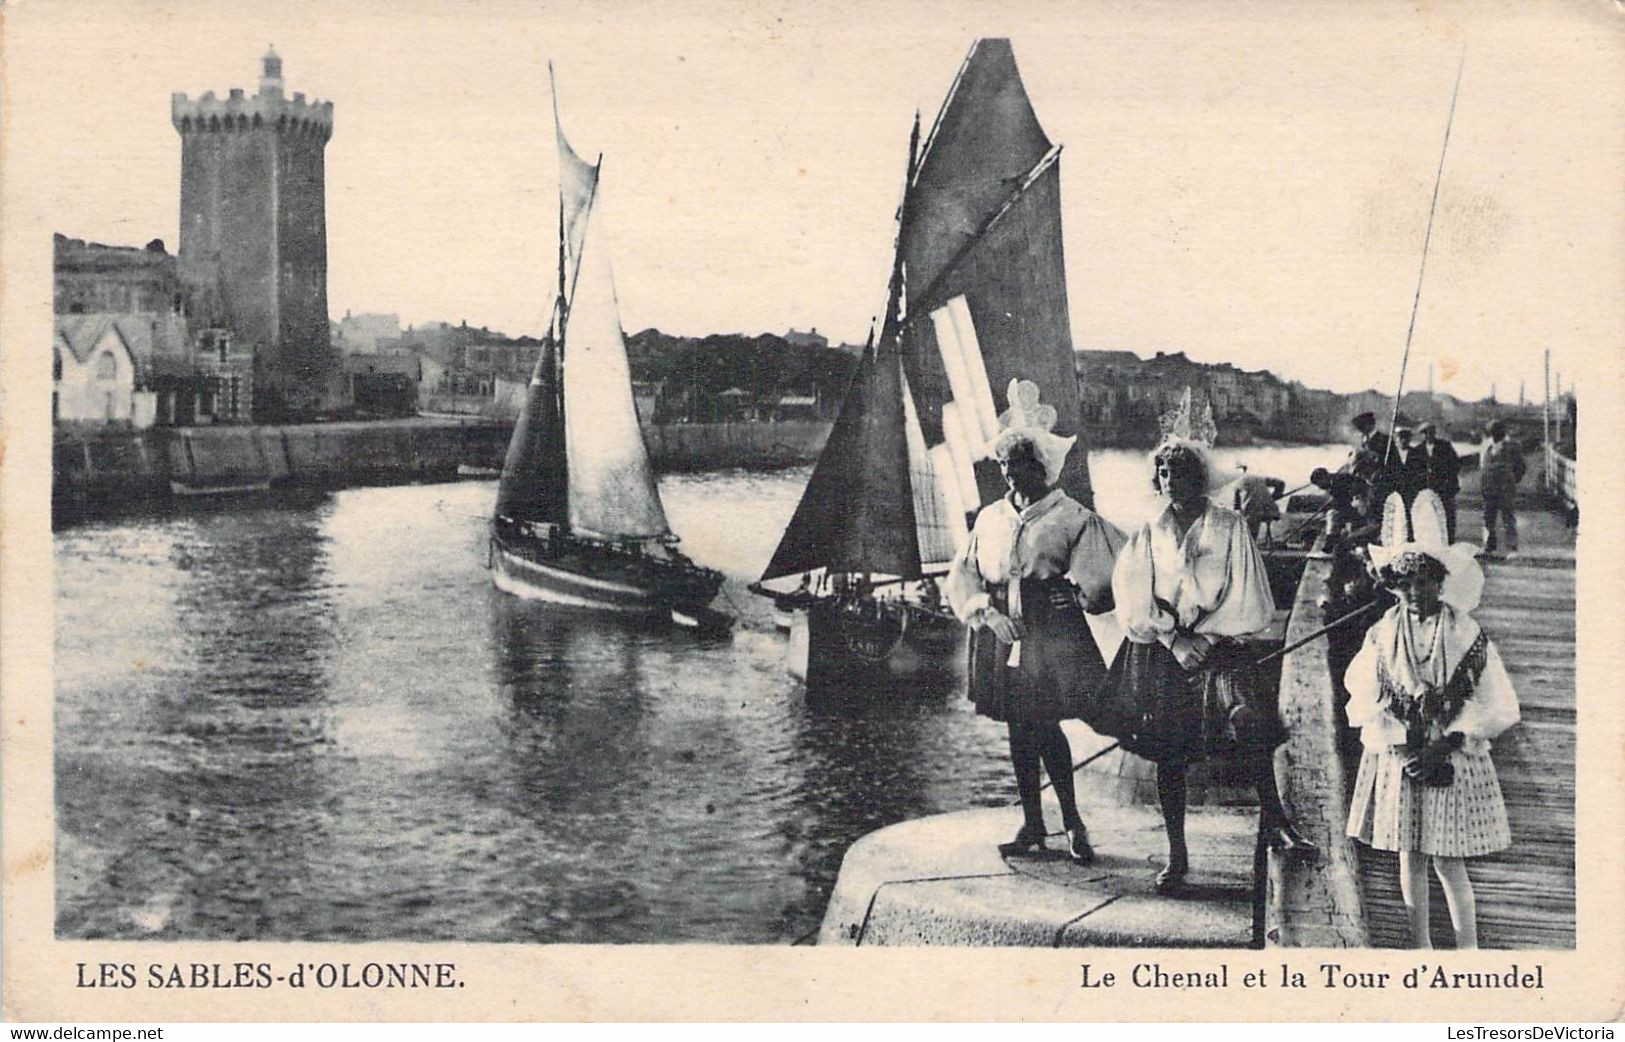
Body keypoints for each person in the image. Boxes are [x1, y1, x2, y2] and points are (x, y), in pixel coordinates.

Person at [1092, 437, 1316, 895]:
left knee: (1249, 723)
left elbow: (1249, 593)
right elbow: (1131, 594)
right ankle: (1177, 854)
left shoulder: (1229, 527)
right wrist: (1173, 639)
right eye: (1165, 472)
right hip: (1163, 649)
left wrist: (1208, 637)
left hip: (1220, 643)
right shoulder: (1148, 533)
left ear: (1202, 477)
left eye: (1182, 471)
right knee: (1169, 753)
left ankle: (1276, 820)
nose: (1172, 480)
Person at [946, 379, 1126, 863]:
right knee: (1016, 727)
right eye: (1003, 464)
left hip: (1050, 635)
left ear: (1040, 466)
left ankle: (1072, 822)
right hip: (1002, 632)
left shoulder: (1070, 516)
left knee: (1045, 724)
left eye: (1017, 465)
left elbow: (1107, 575)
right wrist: (983, 612)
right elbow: (962, 574)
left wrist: (1080, 594)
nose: (1008, 474)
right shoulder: (990, 518)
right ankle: (1033, 823)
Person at [1345, 490, 1518, 949]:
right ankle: (1419, 946)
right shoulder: (1382, 633)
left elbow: (1492, 698)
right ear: (1393, 587)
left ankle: (1468, 948)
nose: (1415, 592)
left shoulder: (1465, 631)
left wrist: (1450, 739)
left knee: (1448, 858)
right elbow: (1367, 694)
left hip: (1452, 752)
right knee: (1411, 855)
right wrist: (1401, 744)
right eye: (1405, 584)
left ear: (1440, 583)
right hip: (1402, 753)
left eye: (1424, 582)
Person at [1479, 420, 1525, 558]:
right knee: (1488, 518)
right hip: (1489, 487)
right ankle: (1488, 546)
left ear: (1503, 433)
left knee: (1508, 517)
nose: (1494, 436)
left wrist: (1512, 479)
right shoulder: (1486, 446)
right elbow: (1482, 465)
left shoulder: (1513, 446)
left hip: (1506, 487)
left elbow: (1520, 467)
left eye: (1497, 432)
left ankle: (1512, 548)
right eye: (1492, 433)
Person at [1415, 421, 1462, 541]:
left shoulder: (1445, 446)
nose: (1427, 435)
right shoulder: (1418, 450)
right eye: (1424, 433)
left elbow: (1455, 464)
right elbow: (1414, 469)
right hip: (1427, 488)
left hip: (1444, 487)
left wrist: (1445, 477)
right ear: (1421, 435)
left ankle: (1449, 540)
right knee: (1429, 516)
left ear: (1434, 433)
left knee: (1447, 515)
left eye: (1430, 433)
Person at [1230, 463, 1284, 543]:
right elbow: (1281, 483)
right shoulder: (1260, 477)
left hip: (1253, 512)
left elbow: (1236, 506)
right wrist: (1273, 498)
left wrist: (1237, 512)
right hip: (1270, 511)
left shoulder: (1238, 481)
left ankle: (1250, 548)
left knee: (1247, 534)